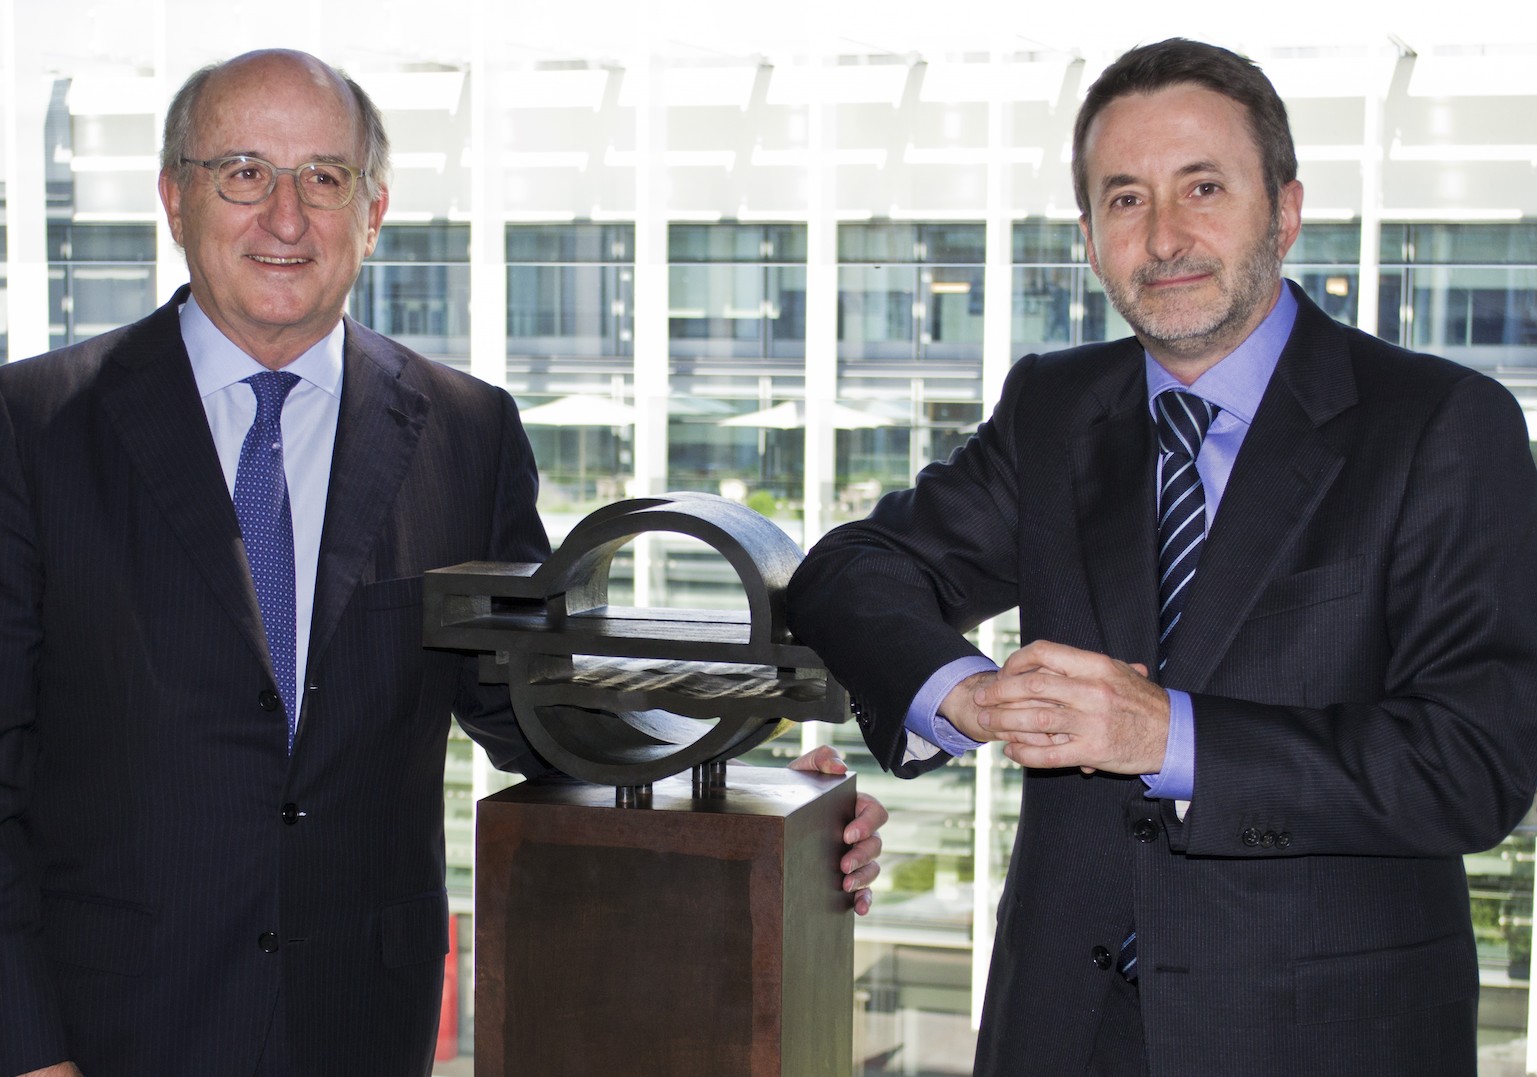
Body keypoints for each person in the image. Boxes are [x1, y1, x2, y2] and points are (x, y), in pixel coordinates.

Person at [0, 49, 885, 1077]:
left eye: (325, 177)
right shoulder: (32, 428)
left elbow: (534, 709)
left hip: (360, 1024)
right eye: (244, 172)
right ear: (174, 197)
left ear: (373, 211)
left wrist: (746, 787)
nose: (286, 217)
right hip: (103, 1029)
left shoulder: (465, 431)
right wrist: (30, 1051)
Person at [787, 36, 1537, 1077]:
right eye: (1126, 198)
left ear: (1284, 210)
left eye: (1203, 187)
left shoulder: (1441, 423)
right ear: (1091, 241)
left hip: (1324, 1039)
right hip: (1061, 1032)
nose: (1165, 236)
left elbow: (1473, 763)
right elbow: (851, 570)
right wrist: (966, 694)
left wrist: (1168, 735)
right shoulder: (1056, 408)